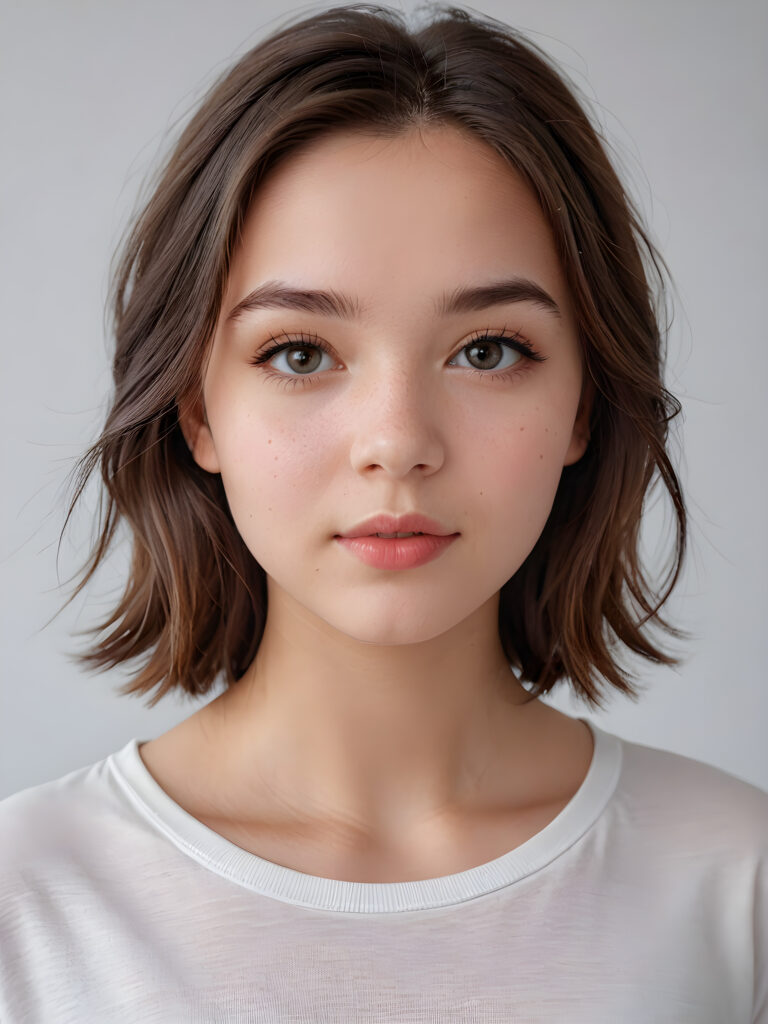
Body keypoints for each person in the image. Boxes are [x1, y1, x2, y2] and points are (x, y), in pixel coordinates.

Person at [1, 3, 765, 1021]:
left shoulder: (737, 882)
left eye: (488, 349)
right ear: (197, 412)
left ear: (584, 402)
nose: (397, 440)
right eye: (300, 353)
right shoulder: (26, 909)